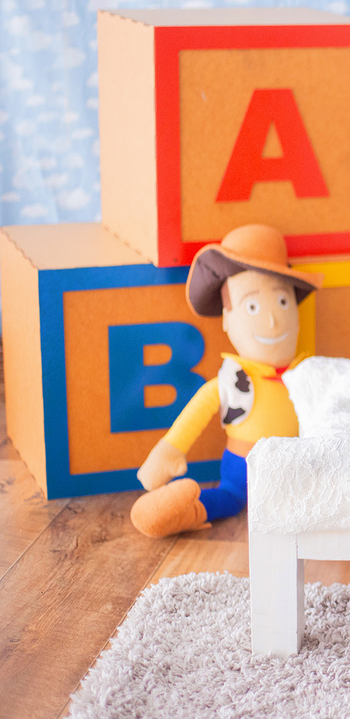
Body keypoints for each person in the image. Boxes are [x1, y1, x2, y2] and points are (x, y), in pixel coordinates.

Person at [129, 224, 323, 538]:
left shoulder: (307, 375)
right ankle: (185, 511)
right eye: (253, 306)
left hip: (295, 468)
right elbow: (194, 416)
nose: (273, 319)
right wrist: (168, 453)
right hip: (242, 470)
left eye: (283, 302)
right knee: (228, 498)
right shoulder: (231, 380)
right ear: (227, 319)